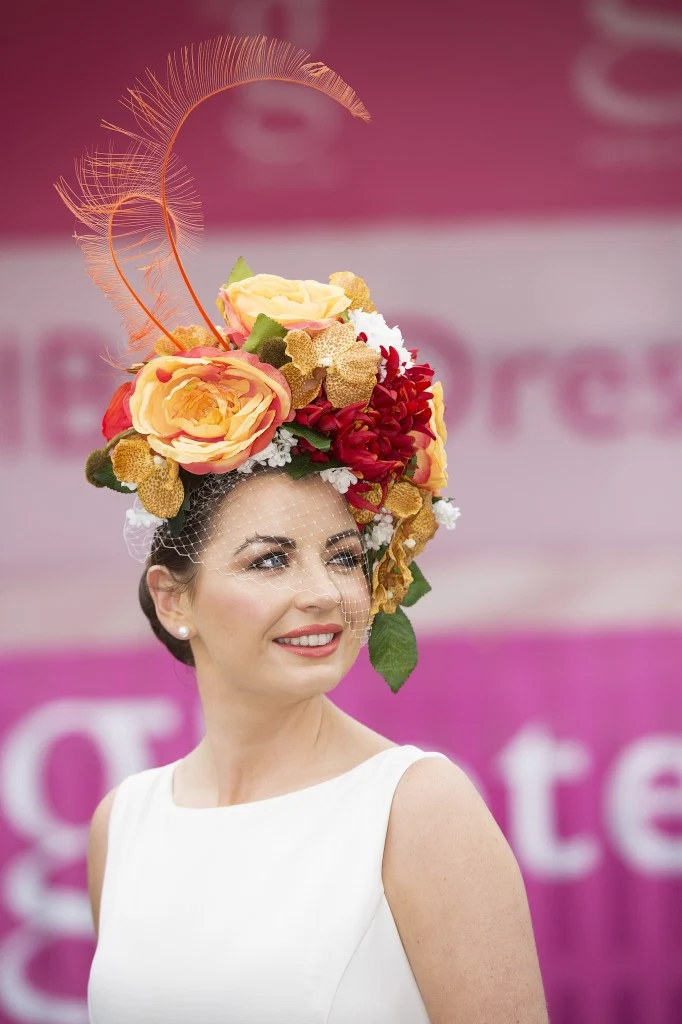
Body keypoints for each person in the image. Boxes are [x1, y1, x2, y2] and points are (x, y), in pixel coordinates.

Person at [58, 35, 549, 1023]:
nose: (326, 591)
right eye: (270, 557)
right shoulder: (127, 823)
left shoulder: (414, 807)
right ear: (173, 596)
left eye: (344, 553)